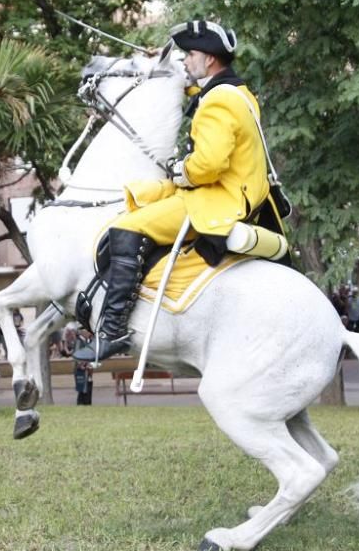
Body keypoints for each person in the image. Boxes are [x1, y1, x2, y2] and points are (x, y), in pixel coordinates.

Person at [73, 18, 285, 362]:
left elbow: (209, 165)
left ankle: (112, 332)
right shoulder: (235, 93)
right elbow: (195, 92)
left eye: (190, 55)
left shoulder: (218, 102)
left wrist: (179, 170)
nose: (186, 61)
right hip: (235, 194)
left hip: (217, 199)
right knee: (141, 202)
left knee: (127, 227)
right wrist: (166, 66)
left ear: (210, 60)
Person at [73, 330, 94, 405]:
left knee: (87, 387)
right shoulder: (79, 341)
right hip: (81, 370)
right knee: (82, 389)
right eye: (88, 332)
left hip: (87, 369)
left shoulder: (87, 341)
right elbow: (76, 354)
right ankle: (82, 403)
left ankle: (87, 402)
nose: (89, 333)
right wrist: (82, 364)